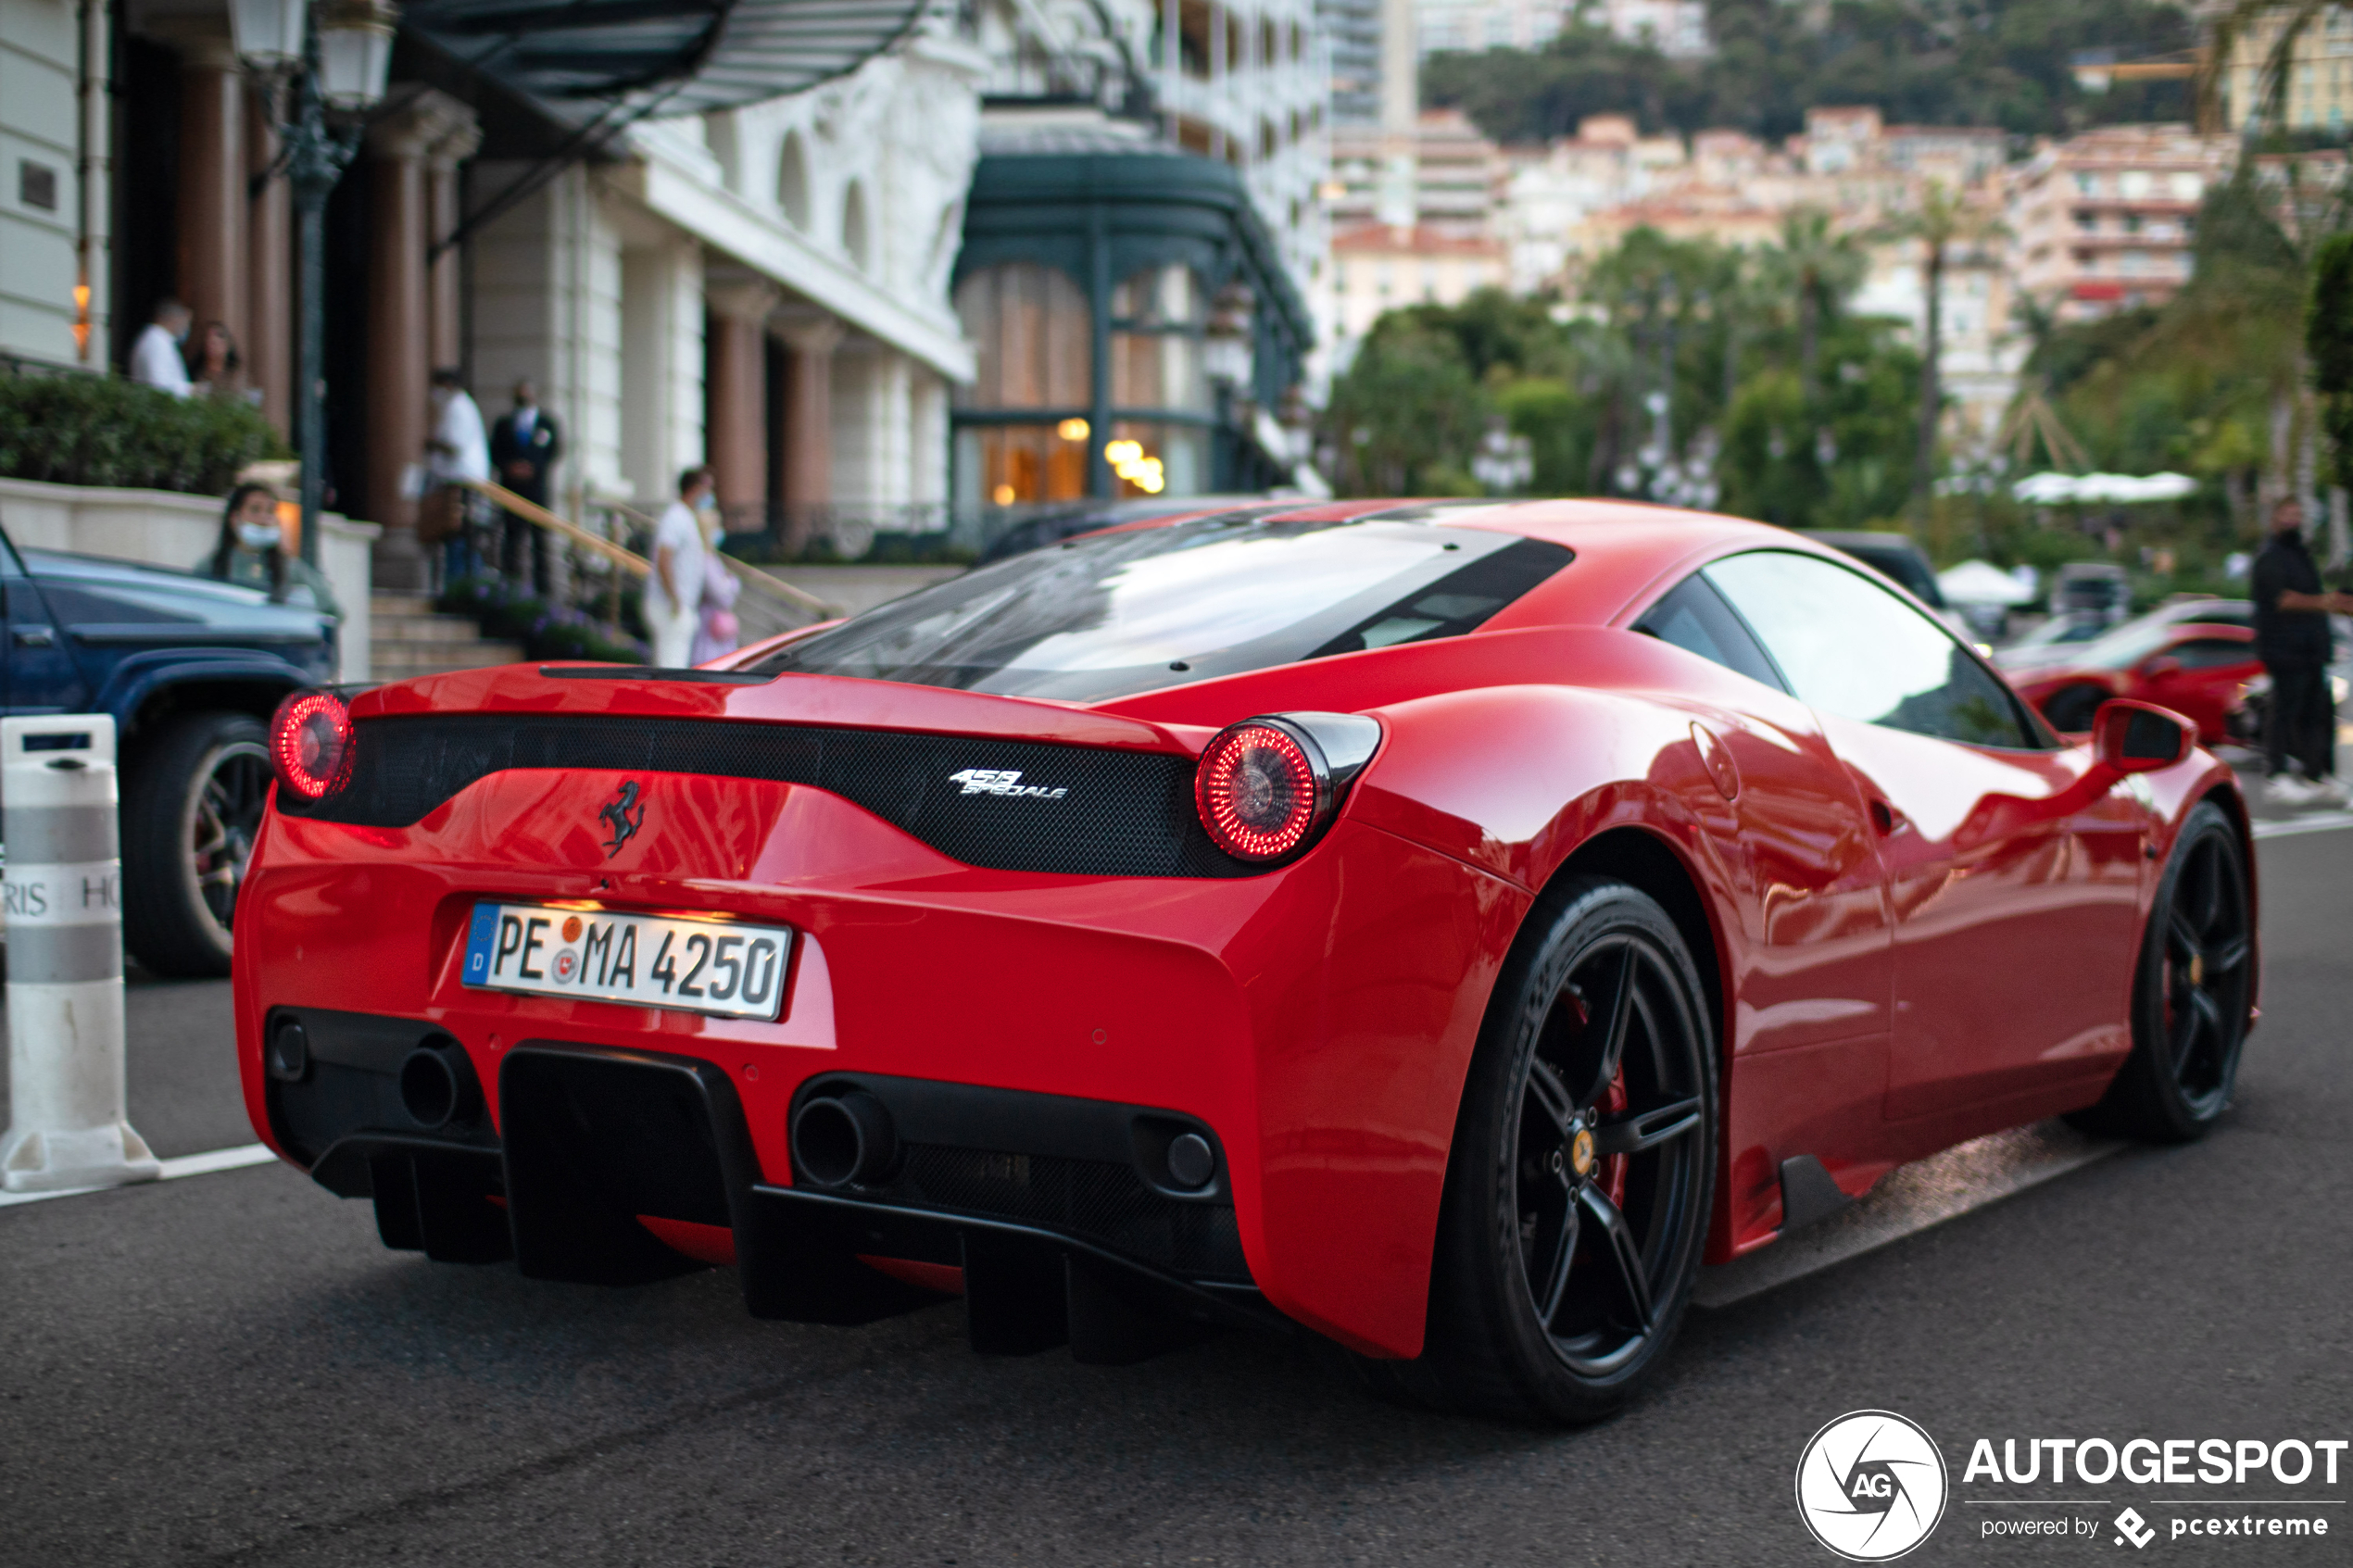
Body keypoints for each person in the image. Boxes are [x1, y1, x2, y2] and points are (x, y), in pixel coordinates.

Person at [2250, 495, 2353, 806]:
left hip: (2311, 649)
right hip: (2284, 649)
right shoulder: (2270, 556)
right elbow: (2281, 599)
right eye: (2287, 513)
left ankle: (2316, 773)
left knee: (2318, 712)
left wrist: (2333, 605)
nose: (2293, 519)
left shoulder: (2301, 554)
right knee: (2284, 711)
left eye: (2297, 514)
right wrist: (2325, 602)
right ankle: (2276, 775)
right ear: (2274, 517)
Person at [198, 483, 343, 622]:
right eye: (255, 510)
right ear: (234, 519)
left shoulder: (290, 568)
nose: (264, 519)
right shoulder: (211, 567)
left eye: (270, 511)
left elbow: (333, 611)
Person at [489, 379, 562, 594]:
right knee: (511, 540)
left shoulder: (546, 423)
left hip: (536, 490)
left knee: (540, 542)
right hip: (512, 490)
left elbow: (553, 451)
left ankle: (543, 590)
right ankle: (510, 587)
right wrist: (510, 467)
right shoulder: (504, 423)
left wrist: (532, 468)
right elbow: (495, 451)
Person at [424, 369, 491, 584]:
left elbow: (455, 445)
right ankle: (462, 582)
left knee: (460, 535)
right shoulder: (460, 406)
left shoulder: (457, 407)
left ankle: (462, 583)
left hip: (462, 480)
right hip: (461, 479)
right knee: (461, 536)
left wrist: (432, 444)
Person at [645, 468, 713, 667]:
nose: (710, 495)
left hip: (679, 604)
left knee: (675, 663)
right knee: (671, 666)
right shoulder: (676, 517)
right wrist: (674, 599)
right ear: (695, 489)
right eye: (707, 489)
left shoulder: (686, 517)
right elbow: (664, 558)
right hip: (671, 606)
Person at [690, 505, 743, 667]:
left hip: (712, 627)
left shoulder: (711, 557)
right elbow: (721, 594)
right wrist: (731, 582)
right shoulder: (705, 558)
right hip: (709, 628)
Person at [129, 300, 193, 397]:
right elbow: (159, 386)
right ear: (175, 319)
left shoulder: (160, 340)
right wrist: (191, 390)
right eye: (185, 321)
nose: (186, 327)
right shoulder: (157, 342)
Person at [189, 320, 251, 405]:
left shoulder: (236, 375)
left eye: (217, 342)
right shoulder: (195, 372)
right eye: (208, 340)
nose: (211, 344)